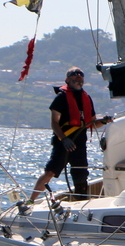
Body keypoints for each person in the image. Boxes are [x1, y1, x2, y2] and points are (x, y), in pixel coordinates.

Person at [30, 67, 111, 202]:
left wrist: (103, 121)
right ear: (67, 80)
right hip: (64, 143)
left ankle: (81, 203)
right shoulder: (61, 98)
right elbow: (54, 123)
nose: (78, 78)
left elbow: (92, 124)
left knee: (81, 177)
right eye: (74, 76)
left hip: (79, 144)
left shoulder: (87, 98)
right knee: (50, 172)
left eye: (81, 76)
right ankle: (31, 200)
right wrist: (64, 139)